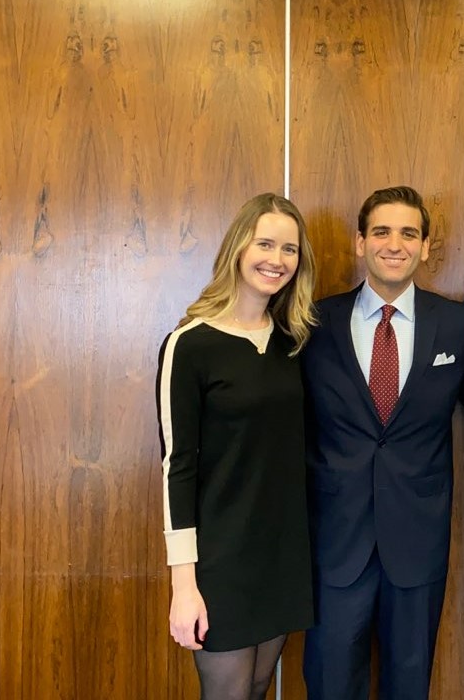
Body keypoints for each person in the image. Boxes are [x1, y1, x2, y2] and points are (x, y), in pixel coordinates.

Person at [301, 185, 464, 700]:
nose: (394, 243)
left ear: (425, 247)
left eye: (409, 233)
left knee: (409, 685)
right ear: (360, 242)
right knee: (331, 683)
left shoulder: (458, 324)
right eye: (381, 231)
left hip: (417, 543)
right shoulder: (313, 323)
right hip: (336, 541)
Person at [156, 192, 318, 700]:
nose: (277, 259)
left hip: (282, 552)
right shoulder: (191, 342)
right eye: (265, 243)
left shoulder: (295, 341)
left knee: (257, 688)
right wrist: (185, 587)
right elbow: (176, 467)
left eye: (289, 249)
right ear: (238, 248)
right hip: (220, 560)